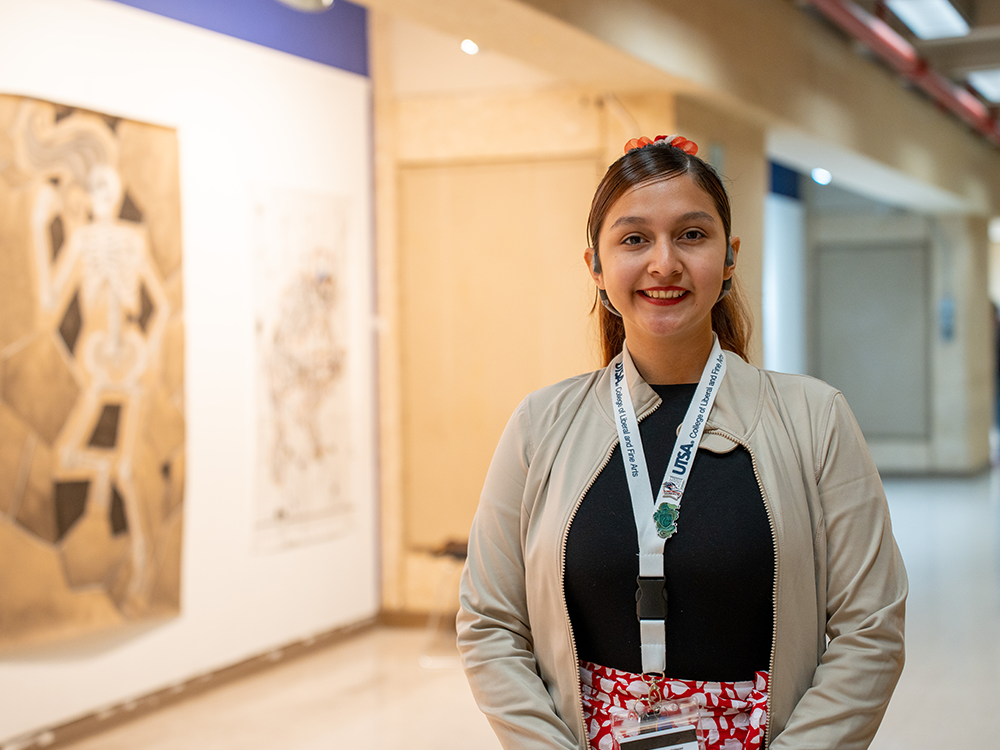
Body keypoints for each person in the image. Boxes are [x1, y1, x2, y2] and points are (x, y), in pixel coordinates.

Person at [456, 135, 907, 750]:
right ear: (595, 264)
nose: (663, 263)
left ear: (729, 258)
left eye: (692, 235)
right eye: (634, 238)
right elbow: (490, 624)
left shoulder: (815, 417)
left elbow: (871, 629)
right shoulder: (540, 426)